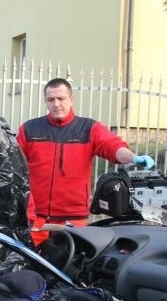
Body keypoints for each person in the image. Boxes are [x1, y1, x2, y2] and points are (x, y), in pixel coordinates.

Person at [16, 78, 155, 245]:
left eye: (61, 98)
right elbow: (11, 161)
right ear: (46, 101)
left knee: (74, 267)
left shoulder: (89, 128)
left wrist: (133, 158)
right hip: (37, 218)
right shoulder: (29, 129)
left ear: (71, 99)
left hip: (74, 219)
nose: (56, 104)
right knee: (33, 266)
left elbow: (112, 146)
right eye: (50, 99)